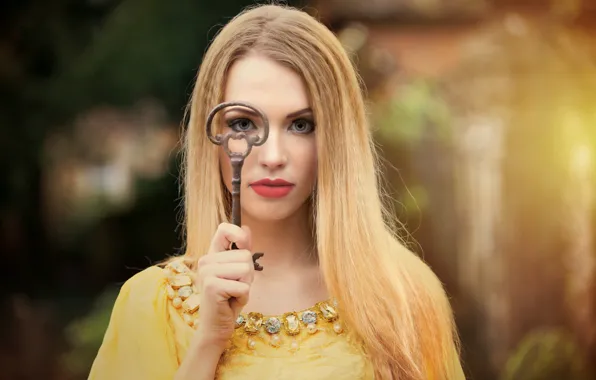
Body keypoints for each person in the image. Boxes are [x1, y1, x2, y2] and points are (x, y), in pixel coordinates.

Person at [89, 4, 465, 380]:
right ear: (214, 137)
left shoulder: (403, 295)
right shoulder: (152, 305)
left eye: (301, 124)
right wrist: (208, 340)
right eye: (242, 122)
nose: (272, 156)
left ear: (337, 137)